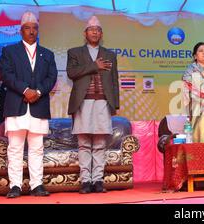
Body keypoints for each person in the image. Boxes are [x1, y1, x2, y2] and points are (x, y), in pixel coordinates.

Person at [0, 11, 57, 198]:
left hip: (39, 105)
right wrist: (26, 90)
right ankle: (15, 186)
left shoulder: (47, 54)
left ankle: (37, 185)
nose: (31, 31)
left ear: (38, 31)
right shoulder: (9, 52)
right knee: (15, 148)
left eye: (34, 28)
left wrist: (38, 92)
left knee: (37, 148)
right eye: (27, 28)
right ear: (20, 31)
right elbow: (7, 76)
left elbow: (52, 77)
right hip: (16, 105)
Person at [66, 16, 119, 194]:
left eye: (98, 29)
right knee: (83, 144)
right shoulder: (74, 52)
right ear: (85, 33)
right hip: (83, 102)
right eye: (91, 29)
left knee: (99, 144)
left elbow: (114, 80)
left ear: (101, 33)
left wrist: (115, 104)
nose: (95, 31)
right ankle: (85, 182)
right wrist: (94, 66)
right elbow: (72, 73)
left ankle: (97, 181)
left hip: (103, 102)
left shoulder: (110, 54)